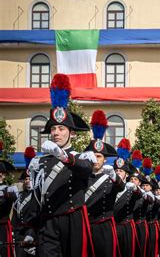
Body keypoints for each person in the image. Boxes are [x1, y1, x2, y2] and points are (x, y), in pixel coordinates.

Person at [28, 74, 96, 257]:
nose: (56, 133)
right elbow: (36, 198)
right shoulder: (40, 162)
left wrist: (63, 156)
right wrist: (29, 230)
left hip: (73, 221)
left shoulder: (82, 157)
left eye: (61, 128)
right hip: (48, 223)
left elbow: (85, 170)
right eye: (53, 129)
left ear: (72, 133)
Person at [84, 110, 125, 257]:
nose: (96, 159)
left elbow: (121, 187)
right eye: (93, 156)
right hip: (84, 227)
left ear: (105, 159)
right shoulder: (82, 177)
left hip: (104, 228)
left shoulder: (110, 178)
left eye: (99, 156)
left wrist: (115, 177)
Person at [12, 147, 37, 257]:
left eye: (30, 178)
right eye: (26, 179)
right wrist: (13, 230)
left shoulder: (36, 195)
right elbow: (15, 216)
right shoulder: (20, 196)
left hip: (32, 233)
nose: (27, 181)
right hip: (19, 233)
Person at [0, 142, 18, 257]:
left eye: (1, 173)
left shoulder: (9, 189)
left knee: (4, 252)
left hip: (2, 226)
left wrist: (4, 194)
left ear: (4, 175)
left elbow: (13, 199)